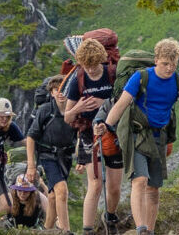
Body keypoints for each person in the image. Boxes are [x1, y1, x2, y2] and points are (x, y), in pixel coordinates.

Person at [104, 38, 179, 235]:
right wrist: (105, 125)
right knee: (139, 180)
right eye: (165, 63)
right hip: (137, 134)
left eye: (173, 64)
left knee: (153, 188)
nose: (169, 68)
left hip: (160, 137)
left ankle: (149, 230)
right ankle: (141, 228)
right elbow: (121, 104)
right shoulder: (141, 77)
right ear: (156, 59)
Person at [61, 37, 126, 231]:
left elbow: (123, 101)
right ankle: (87, 229)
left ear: (101, 60)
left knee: (114, 186)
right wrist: (78, 107)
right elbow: (67, 117)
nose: (90, 69)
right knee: (95, 183)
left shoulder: (112, 75)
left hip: (112, 132)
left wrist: (104, 105)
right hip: (89, 134)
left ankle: (110, 217)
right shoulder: (79, 79)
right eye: (86, 65)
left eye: (93, 65)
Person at [28, 75, 80, 231]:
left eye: (64, 89)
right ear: (51, 93)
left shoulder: (75, 110)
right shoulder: (45, 110)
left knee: (52, 196)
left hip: (66, 157)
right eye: (57, 90)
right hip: (47, 156)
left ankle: (47, 230)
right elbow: (31, 137)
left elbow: (81, 135)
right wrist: (31, 165)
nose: (61, 93)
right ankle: (65, 230)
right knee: (62, 190)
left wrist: (82, 159)